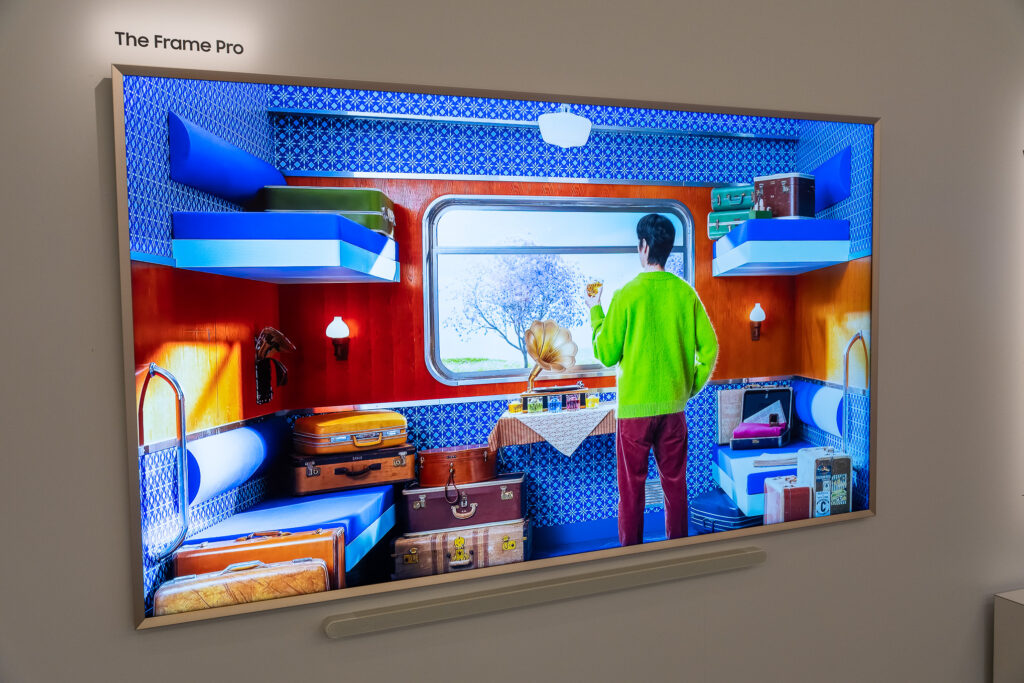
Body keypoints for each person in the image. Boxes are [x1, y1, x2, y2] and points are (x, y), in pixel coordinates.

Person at [587, 214, 718, 546]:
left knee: (631, 489)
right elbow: (710, 348)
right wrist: (688, 387)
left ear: (643, 247)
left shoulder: (626, 295)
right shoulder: (685, 293)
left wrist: (595, 311)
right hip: (673, 410)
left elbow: (606, 354)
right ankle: (679, 551)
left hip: (634, 412)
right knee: (675, 485)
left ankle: (632, 557)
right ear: (668, 248)